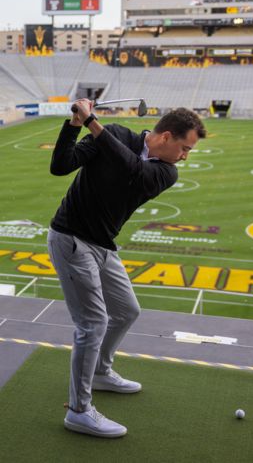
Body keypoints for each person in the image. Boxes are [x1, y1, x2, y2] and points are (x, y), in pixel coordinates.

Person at [47, 99, 206, 438]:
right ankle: (79, 410)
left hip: (103, 244)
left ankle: (102, 372)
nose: (185, 156)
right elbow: (61, 166)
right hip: (71, 239)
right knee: (92, 323)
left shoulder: (166, 172)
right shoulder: (117, 133)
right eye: (184, 148)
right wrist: (75, 125)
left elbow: (131, 169)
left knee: (127, 311)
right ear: (165, 136)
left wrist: (93, 122)